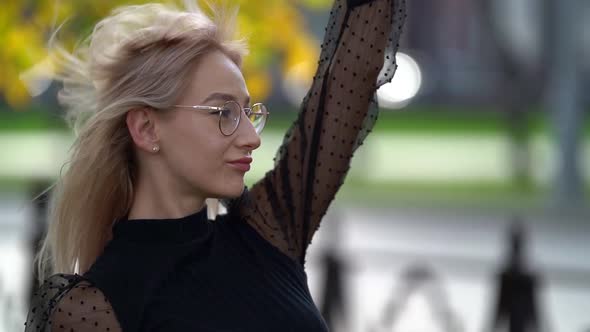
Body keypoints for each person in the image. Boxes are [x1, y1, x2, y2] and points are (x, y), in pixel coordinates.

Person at [24, 0, 406, 330]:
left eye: (247, 112)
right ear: (146, 128)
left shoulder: (268, 233)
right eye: (223, 111)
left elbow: (351, 73)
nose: (251, 138)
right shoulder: (93, 307)